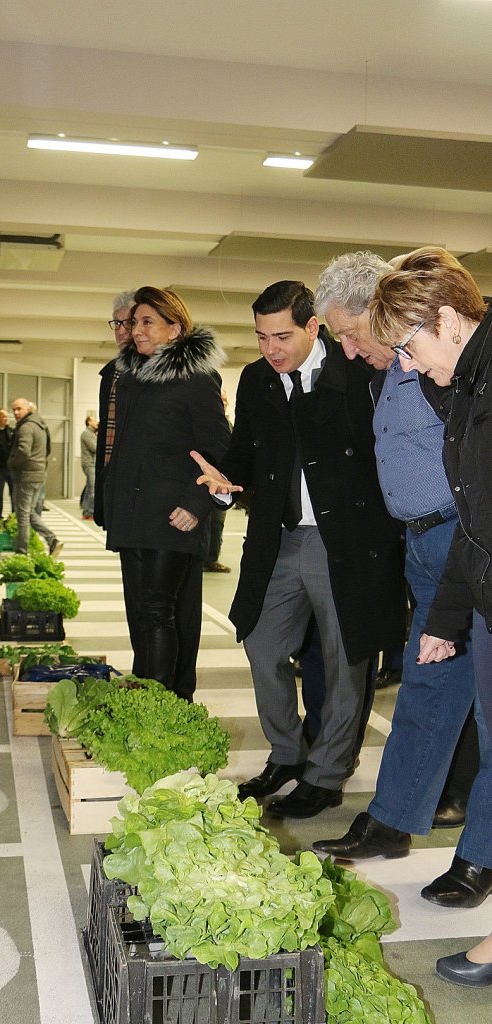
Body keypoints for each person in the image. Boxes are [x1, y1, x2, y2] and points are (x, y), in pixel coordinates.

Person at [311, 251, 489, 909]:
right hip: (423, 541)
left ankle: (476, 857)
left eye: (354, 334)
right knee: (426, 683)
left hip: (462, 538)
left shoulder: (445, 368)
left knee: (476, 704)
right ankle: (392, 818)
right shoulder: (396, 368)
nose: (354, 351)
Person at [193, 280, 404, 818]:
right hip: (280, 538)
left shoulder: (359, 371)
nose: (271, 348)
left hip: (346, 541)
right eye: (262, 336)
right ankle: (286, 755)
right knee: (262, 643)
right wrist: (225, 481)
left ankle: (328, 773)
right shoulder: (258, 379)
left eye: (282, 335)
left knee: (345, 659)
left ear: (315, 326)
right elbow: (243, 453)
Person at [368, 246, 492, 986]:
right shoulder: (465, 388)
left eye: (408, 347)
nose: (406, 368)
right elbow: (474, 523)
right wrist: (446, 618)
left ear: (445, 321)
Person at [103, 286, 230, 701]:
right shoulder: (134, 379)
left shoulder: (196, 379)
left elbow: (220, 449)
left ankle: (157, 705)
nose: (134, 331)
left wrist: (197, 505)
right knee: (142, 615)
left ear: (174, 329)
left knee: (158, 613)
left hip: (172, 516)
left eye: (146, 322)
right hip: (136, 516)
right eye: (132, 322)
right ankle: (150, 696)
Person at [94, 289, 136, 529]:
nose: (121, 331)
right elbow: (106, 444)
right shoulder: (111, 374)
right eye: (117, 323)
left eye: (128, 323)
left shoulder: (168, 374)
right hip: (117, 491)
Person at [8, 398, 63, 557]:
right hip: (38, 474)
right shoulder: (41, 426)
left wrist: (11, 463)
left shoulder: (26, 427)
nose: (16, 412)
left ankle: (21, 552)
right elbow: (48, 449)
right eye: (14, 410)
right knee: (29, 512)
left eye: (19, 409)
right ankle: (52, 540)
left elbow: (23, 451)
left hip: (26, 475)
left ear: (28, 409)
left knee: (23, 515)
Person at [203, 390, 231, 573]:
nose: (225, 403)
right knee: (204, 522)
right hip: (204, 481)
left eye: (226, 400)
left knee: (217, 522)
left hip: (223, 483)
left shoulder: (228, 423)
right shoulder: (205, 421)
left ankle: (212, 558)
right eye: (222, 399)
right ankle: (202, 558)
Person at [80, 415, 98, 519]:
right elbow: (94, 447)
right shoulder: (86, 434)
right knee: (92, 489)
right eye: (94, 420)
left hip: (92, 463)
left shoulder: (92, 434)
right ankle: (90, 512)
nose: (96, 422)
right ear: (88, 422)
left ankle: (86, 511)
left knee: (88, 489)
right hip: (89, 464)